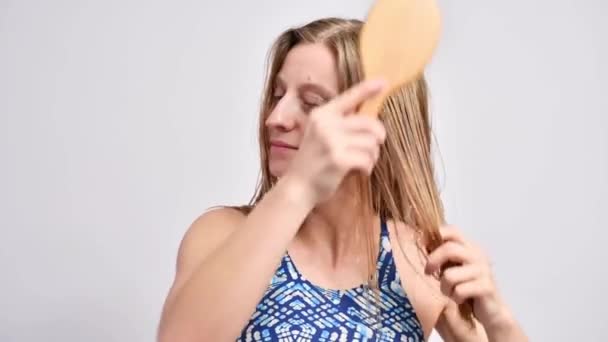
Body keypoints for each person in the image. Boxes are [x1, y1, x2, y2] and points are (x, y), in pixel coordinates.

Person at [157, 17, 528, 342]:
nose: (275, 118)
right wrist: (300, 186)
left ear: (377, 124)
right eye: (277, 95)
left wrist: (500, 322)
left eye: (313, 103)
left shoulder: (418, 259)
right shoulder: (222, 234)